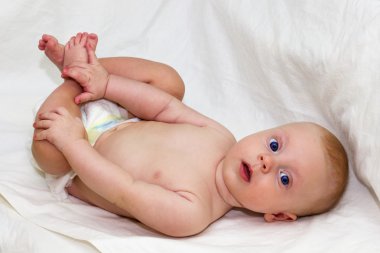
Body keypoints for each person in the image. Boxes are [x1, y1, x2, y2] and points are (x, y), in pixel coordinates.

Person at [32, 32, 348, 237]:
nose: (267, 161)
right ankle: (92, 72)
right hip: (119, 115)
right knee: (171, 82)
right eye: (274, 145)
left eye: (283, 179)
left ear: (278, 215)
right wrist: (108, 87)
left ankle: (73, 79)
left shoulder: (191, 213)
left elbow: (122, 189)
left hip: (81, 159)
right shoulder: (221, 137)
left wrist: (74, 143)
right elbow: (164, 108)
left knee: (49, 157)